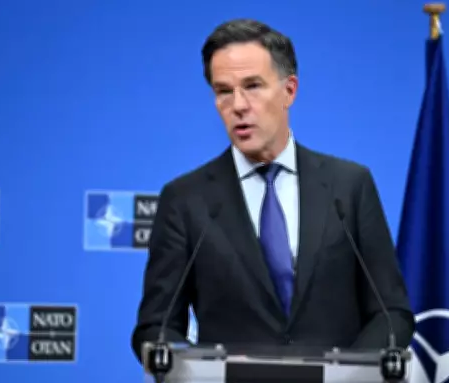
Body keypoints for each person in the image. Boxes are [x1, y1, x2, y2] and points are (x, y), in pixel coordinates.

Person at [131, 19, 414, 363]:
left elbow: (391, 313)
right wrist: (199, 372)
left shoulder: (349, 186)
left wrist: (344, 375)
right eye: (224, 91)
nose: (238, 105)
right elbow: (156, 327)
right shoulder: (185, 200)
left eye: (252, 86)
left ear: (289, 91)